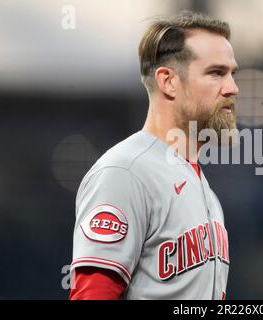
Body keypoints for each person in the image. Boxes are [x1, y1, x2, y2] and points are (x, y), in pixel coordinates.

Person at [69, 11, 239, 300]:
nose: (233, 88)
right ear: (168, 81)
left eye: (232, 74)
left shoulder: (204, 189)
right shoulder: (125, 172)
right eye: (216, 73)